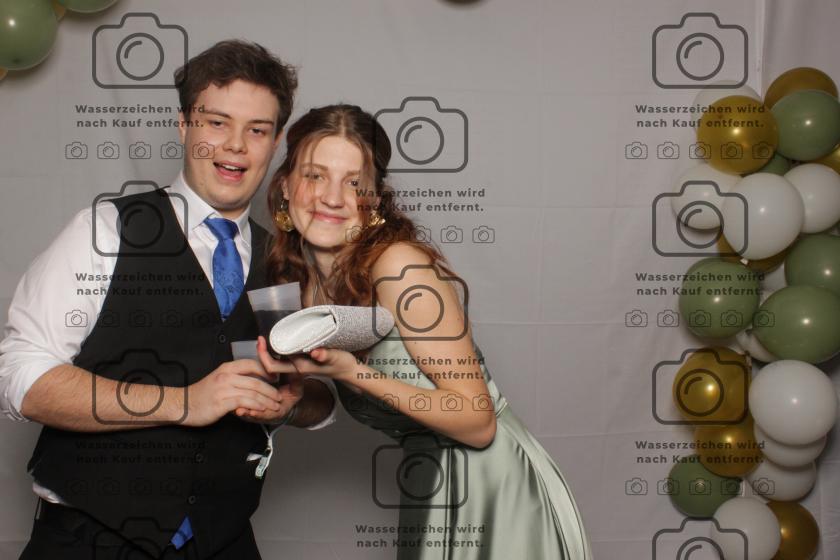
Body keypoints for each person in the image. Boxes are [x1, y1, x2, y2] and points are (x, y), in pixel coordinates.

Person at [0, 40, 336, 560]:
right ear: (184, 126)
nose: (235, 146)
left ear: (275, 144)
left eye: (256, 130)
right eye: (216, 123)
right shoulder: (106, 230)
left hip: (222, 541)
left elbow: (309, 394)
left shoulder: (284, 263)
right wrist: (184, 402)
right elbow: (22, 378)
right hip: (91, 540)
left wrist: (296, 402)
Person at [247, 104, 593, 559]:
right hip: (433, 484)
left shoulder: (399, 267)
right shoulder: (304, 286)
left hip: (495, 488)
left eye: (354, 183)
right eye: (315, 176)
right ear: (285, 186)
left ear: (374, 202)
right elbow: (325, 395)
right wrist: (290, 398)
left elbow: (478, 422)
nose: (332, 197)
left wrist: (352, 373)